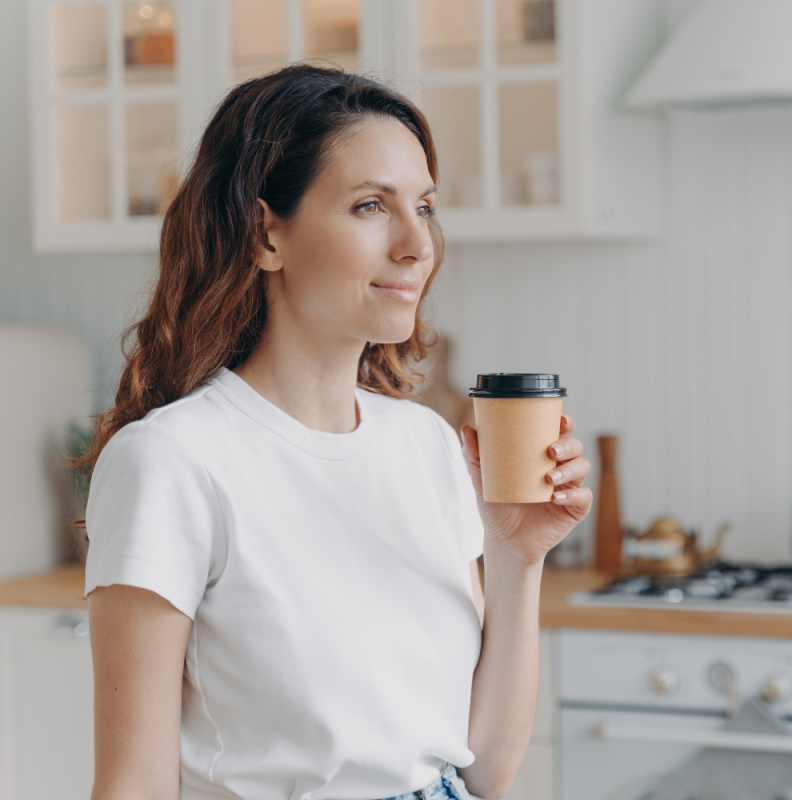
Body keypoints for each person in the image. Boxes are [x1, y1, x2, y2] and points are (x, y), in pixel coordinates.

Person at [76, 64, 592, 800]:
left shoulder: (426, 446)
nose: (418, 245)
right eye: (370, 206)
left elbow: (483, 770)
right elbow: (132, 785)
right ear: (265, 234)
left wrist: (518, 556)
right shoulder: (174, 462)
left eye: (426, 207)